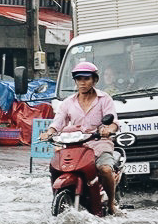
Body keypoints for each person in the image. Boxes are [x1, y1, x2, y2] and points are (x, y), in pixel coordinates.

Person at [38, 60, 121, 214]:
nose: (82, 83)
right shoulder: (68, 103)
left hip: (99, 142)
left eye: (86, 79)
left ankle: (111, 204)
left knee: (105, 169)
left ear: (94, 80)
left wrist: (108, 129)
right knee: (55, 167)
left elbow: (114, 122)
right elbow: (58, 123)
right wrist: (49, 132)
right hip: (74, 146)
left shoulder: (104, 99)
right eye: (79, 79)